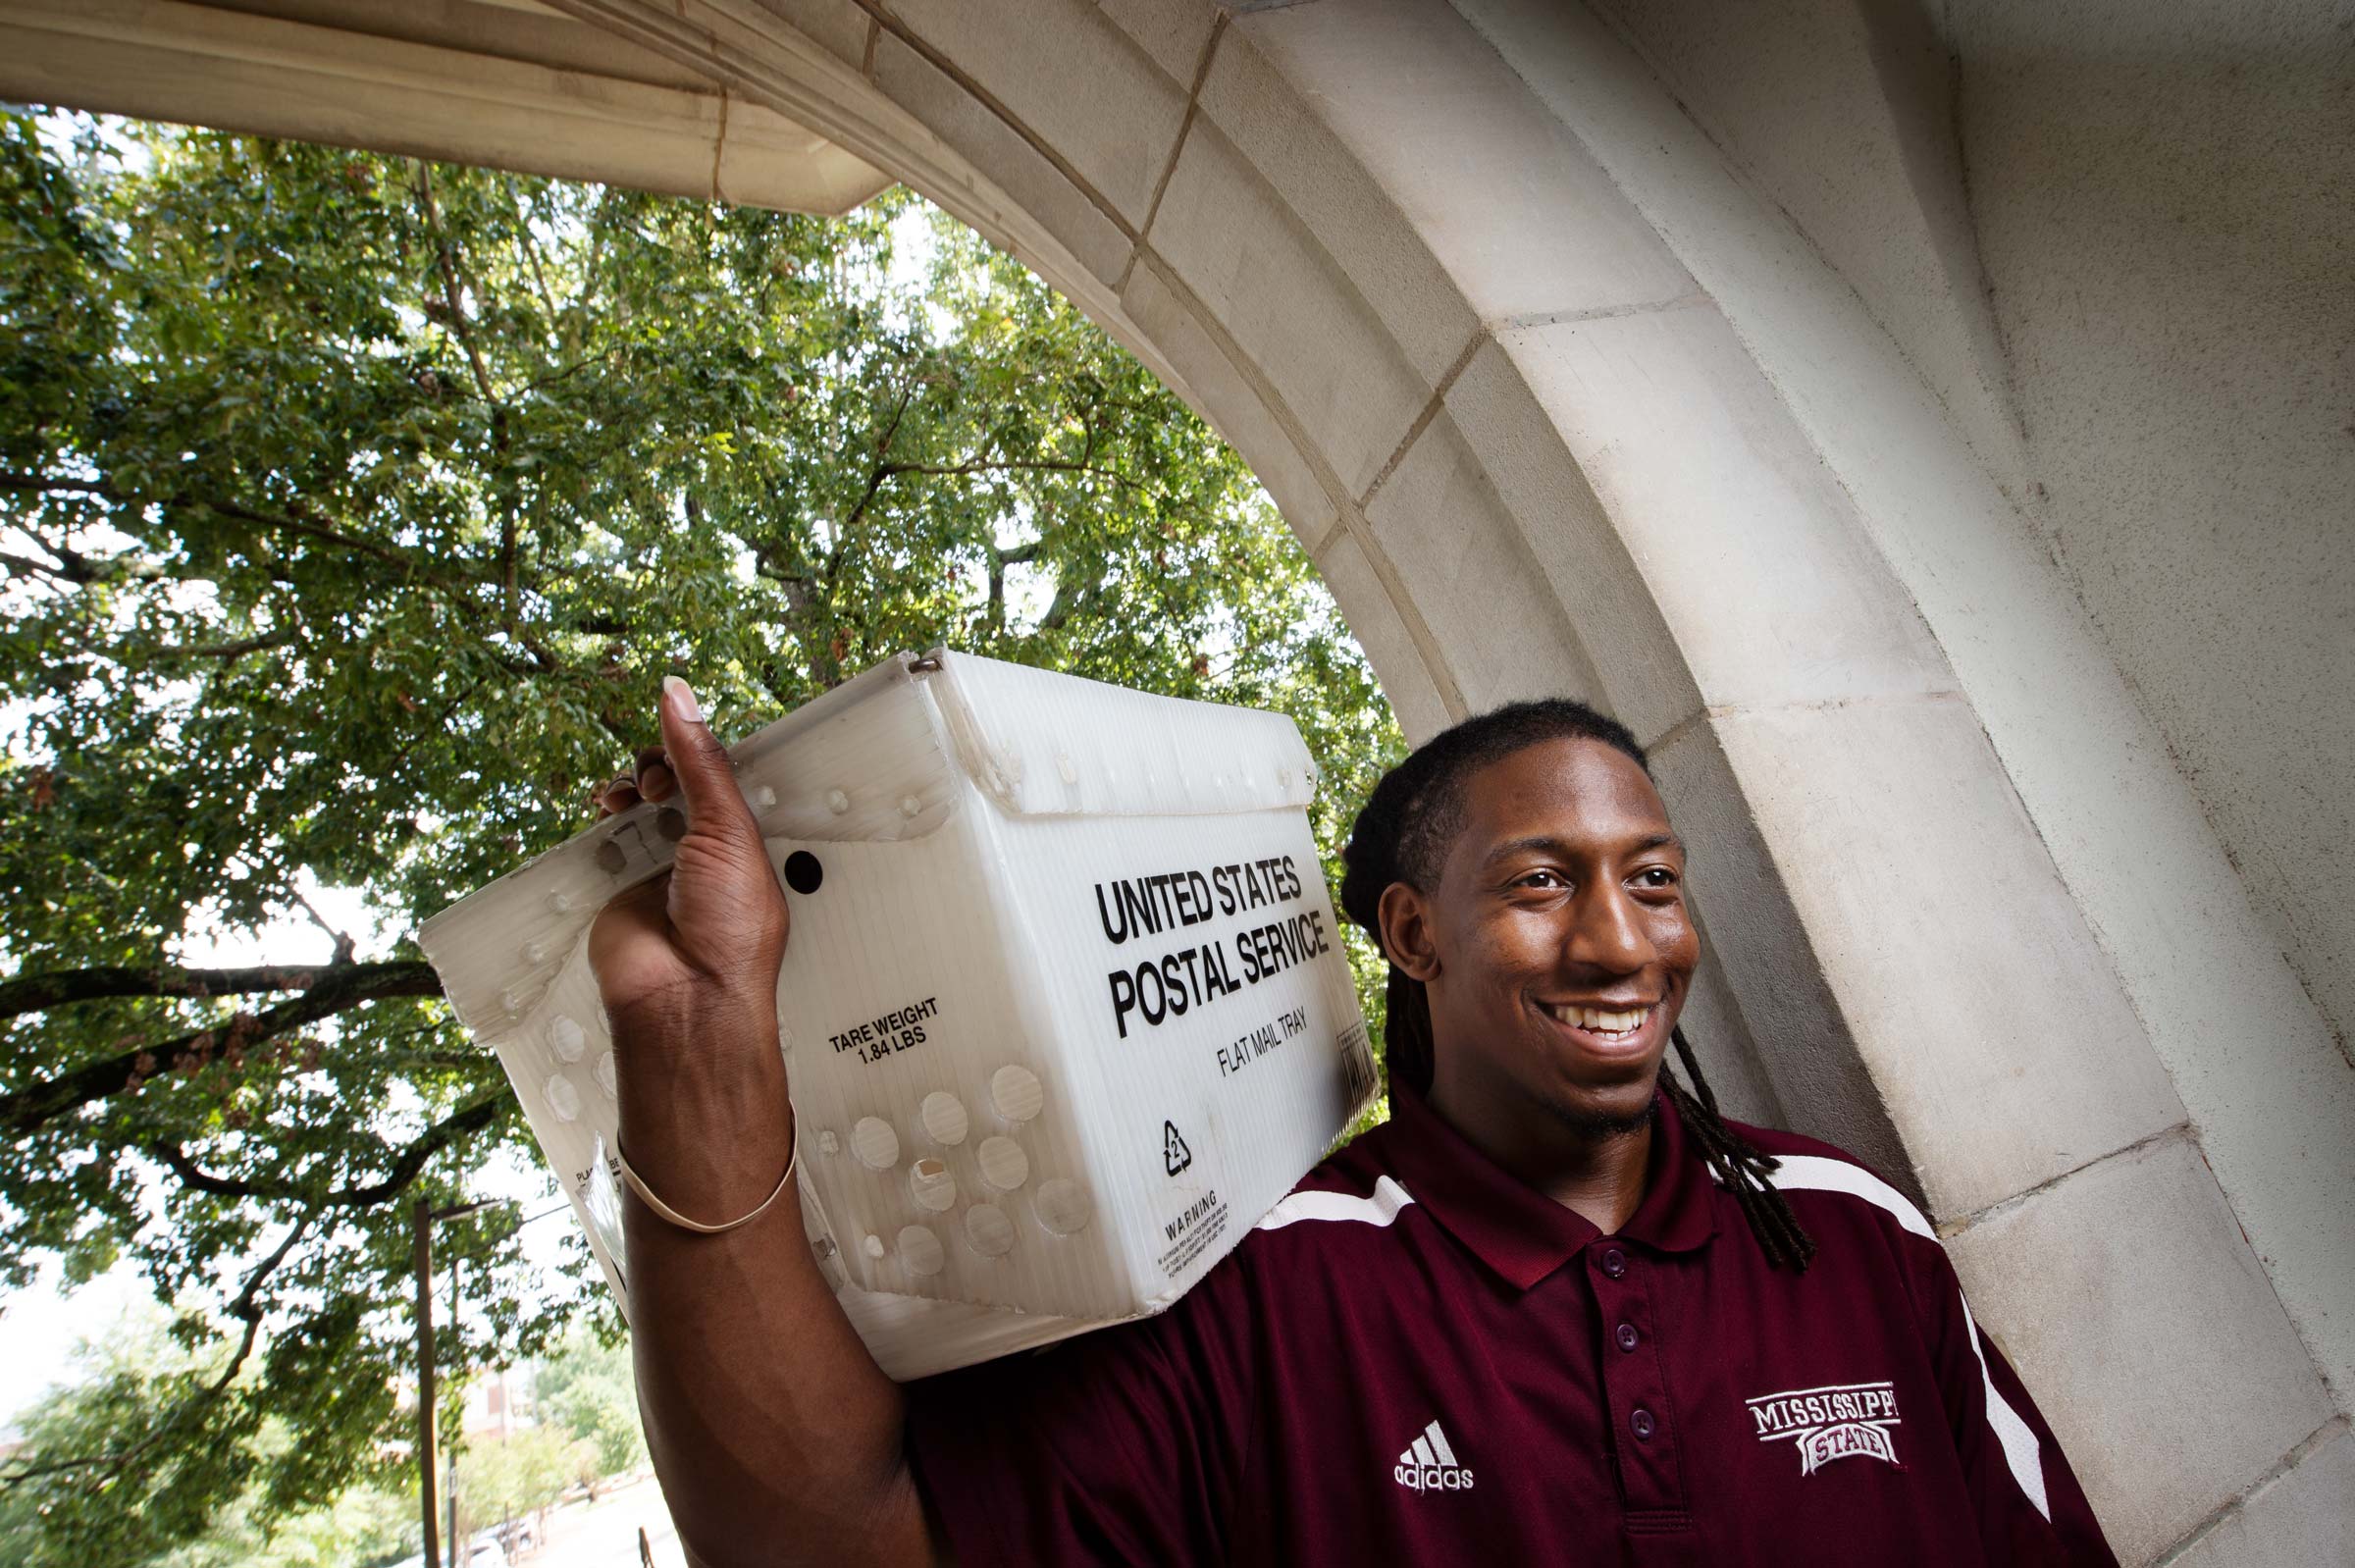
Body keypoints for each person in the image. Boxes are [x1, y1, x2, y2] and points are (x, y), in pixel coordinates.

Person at [589, 676, 2118, 1566]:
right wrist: (696, 1041)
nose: (1618, 940)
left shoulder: (1851, 1227)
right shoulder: (1264, 1285)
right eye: (1540, 881)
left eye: (1652, 877)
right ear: (1412, 931)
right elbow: (839, 1543)